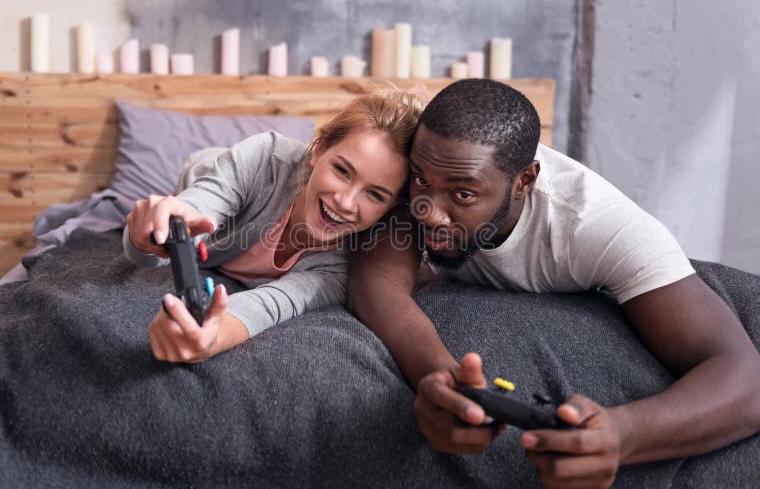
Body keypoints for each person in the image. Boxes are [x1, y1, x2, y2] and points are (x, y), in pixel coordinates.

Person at [347, 79, 760, 488]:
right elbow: (378, 278)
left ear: (524, 181)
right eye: (421, 181)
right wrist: (442, 381)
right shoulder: (423, 163)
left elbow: (746, 380)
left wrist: (621, 435)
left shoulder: (597, 225)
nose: (428, 212)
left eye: (463, 195)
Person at [124, 90, 424, 363]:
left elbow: (266, 306)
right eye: (342, 171)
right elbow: (183, 222)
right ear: (318, 150)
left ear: (391, 206)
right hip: (209, 170)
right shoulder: (264, 160)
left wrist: (209, 337)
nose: (345, 202)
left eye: (374, 194)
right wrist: (147, 238)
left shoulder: (347, 264)